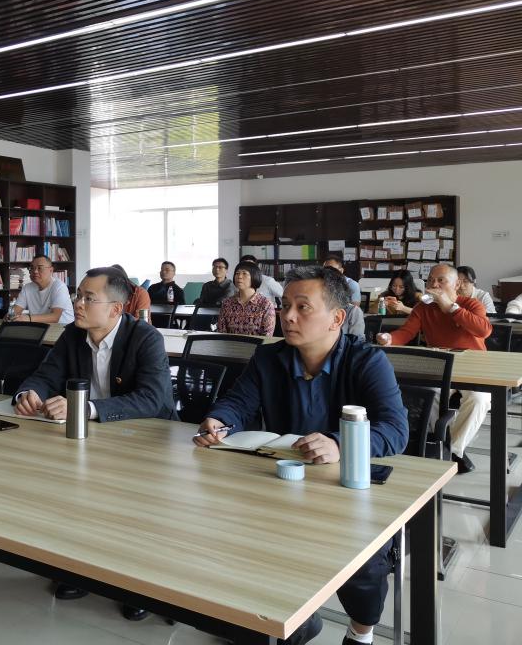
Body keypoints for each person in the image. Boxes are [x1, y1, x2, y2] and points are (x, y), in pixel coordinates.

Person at [197, 266, 408, 645]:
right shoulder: (269, 358)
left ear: (337, 319)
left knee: (364, 563)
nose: (288, 316)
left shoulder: (366, 361)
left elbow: (395, 429)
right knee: (230, 533)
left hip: (347, 486)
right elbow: (238, 403)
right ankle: (288, 620)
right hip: (282, 479)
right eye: (284, 305)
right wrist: (219, 420)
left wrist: (339, 444)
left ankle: (361, 631)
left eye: (303, 307)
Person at [14, 265, 175, 621]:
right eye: (78, 296)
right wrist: (29, 394)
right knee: (76, 499)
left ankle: (140, 586)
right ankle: (84, 572)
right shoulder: (73, 335)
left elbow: (154, 399)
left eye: (89, 298)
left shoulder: (145, 338)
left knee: (133, 512)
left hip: (144, 441)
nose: (78, 304)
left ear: (116, 309)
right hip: (93, 437)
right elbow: (45, 375)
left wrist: (85, 408)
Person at [377, 264, 492, 473]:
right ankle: (441, 444)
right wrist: (389, 339)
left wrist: (451, 308)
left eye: (441, 280)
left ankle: (452, 450)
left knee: (479, 399)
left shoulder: (471, 304)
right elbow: (406, 332)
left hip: (474, 367)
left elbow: (483, 330)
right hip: (440, 367)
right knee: (426, 395)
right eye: (430, 280)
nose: (434, 284)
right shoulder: (423, 308)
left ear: (456, 284)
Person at [7, 254, 74, 324]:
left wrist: (27, 318)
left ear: (51, 270)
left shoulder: (59, 286)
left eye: (40, 268)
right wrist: (10, 315)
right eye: (32, 268)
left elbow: (55, 317)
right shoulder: (27, 288)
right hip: (41, 327)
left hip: (62, 328)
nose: (35, 271)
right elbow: (16, 310)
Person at [216, 261, 275, 336]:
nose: (239, 276)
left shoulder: (266, 305)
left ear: (254, 276)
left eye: (244, 273)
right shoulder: (227, 303)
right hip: (230, 344)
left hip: (257, 344)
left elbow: (267, 336)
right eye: (237, 273)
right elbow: (221, 333)